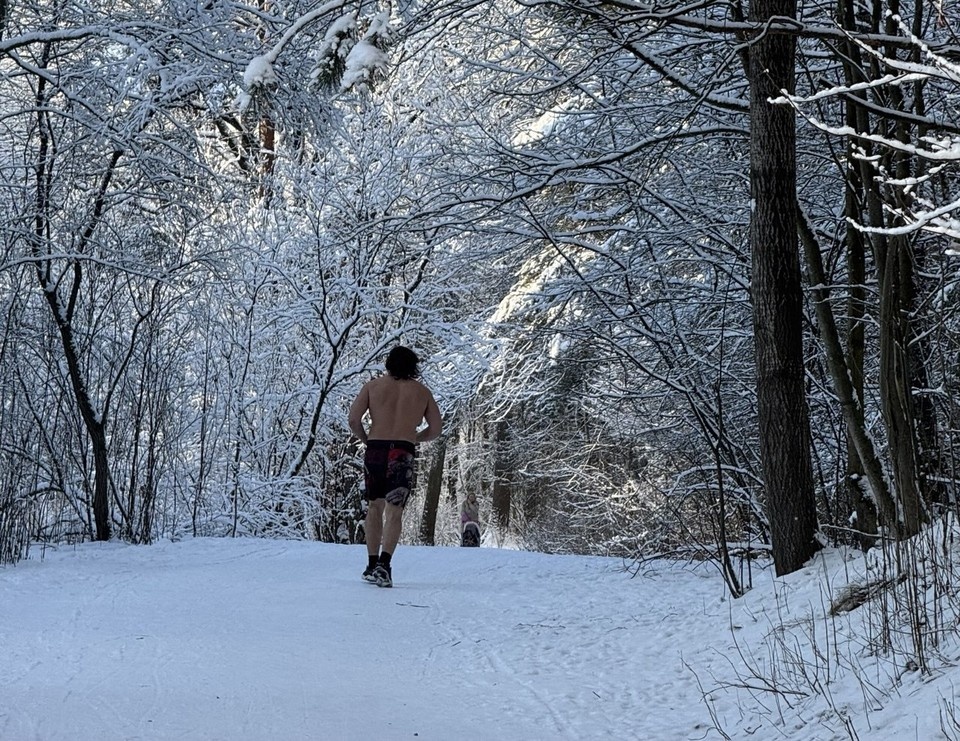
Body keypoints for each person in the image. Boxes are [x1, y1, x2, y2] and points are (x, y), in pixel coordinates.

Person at [348, 345, 442, 587]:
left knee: (374, 507)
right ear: (414, 366)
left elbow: (353, 419)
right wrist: (414, 438)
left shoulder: (373, 387)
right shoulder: (422, 392)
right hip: (403, 450)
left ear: (388, 363)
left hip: (376, 448)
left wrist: (366, 440)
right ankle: (384, 565)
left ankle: (371, 564)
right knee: (395, 509)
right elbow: (435, 429)